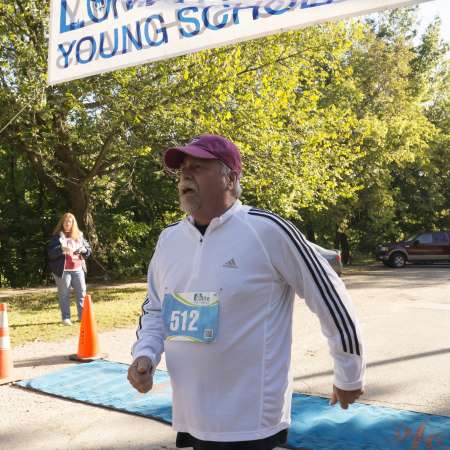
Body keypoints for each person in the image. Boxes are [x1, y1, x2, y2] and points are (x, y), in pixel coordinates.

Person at [128, 134, 365, 450]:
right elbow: (157, 308)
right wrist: (144, 354)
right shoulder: (169, 240)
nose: (185, 175)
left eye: (198, 167)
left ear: (231, 177)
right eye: (183, 169)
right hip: (191, 415)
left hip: (252, 422)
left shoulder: (268, 230)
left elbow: (330, 298)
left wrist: (349, 373)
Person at [48, 212, 91, 325]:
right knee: (64, 294)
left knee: (81, 293)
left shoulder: (79, 235)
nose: (67, 224)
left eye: (70, 222)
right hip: (63, 271)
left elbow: (88, 251)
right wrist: (61, 249)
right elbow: (51, 254)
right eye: (65, 221)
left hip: (78, 269)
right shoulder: (57, 237)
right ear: (62, 223)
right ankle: (66, 318)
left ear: (73, 224)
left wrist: (84, 250)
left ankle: (82, 317)